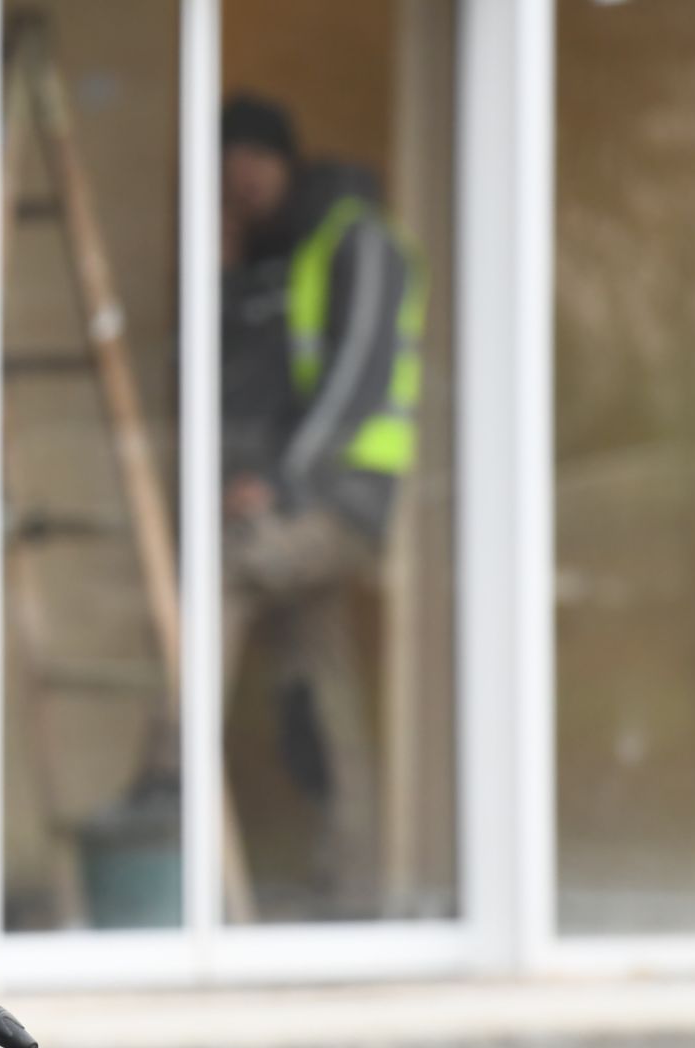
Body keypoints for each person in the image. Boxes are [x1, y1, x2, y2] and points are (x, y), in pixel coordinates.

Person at [219, 94, 426, 914]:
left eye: (250, 169)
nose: (242, 189)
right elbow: (251, 388)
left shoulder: (360, 242)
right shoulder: (286, 255)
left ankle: (164, 772)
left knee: (225, 577)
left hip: (345, 503)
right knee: (321, 691)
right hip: (305, 497)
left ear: (284, 162)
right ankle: (356, 892)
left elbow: (354, 383)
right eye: (228, 180)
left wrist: (282, 486)